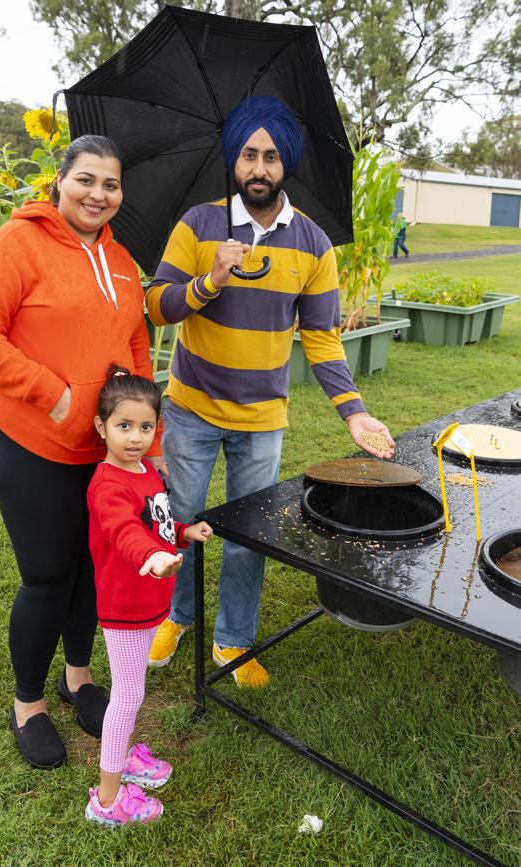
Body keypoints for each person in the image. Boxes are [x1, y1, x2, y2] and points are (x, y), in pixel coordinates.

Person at [145, 96, 395, 687]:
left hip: (262, 419)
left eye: (272, 157)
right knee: (179, 517)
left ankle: (232, 639)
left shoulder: (313, 245)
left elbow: (323, 338)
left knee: (249, 533)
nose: (259, 168)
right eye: (250, 155)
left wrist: (353, 414)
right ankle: (174, 615)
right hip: (191, 410)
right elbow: (156, 306)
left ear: (287, 166)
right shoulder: (198, 224)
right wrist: (210, 281)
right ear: (235, 159)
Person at [0, 135, 164, 770]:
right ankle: (28, 705)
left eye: (112, 184)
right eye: (86, 180)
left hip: (102, 455)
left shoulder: (124, 261)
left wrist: (138, 424)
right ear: (59, 182)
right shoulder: (17, 245)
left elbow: (132, 342)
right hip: (33, 443)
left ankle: (78, 679)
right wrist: (55, 395)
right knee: (48, 576)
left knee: (93, 570)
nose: (99, 194)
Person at [85, 366, 212, 825]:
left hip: (150, 599)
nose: (135, 437)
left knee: (134, 688)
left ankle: (127, 755)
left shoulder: (143, 472)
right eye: (123, 426)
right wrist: (153, 557)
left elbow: (153, 523)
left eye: (145, 426)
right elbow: (125, 532)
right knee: (127, 695)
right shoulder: (107, 484)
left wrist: (180, 533)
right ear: (102, 427)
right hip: (126, 607)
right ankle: (106, 800)